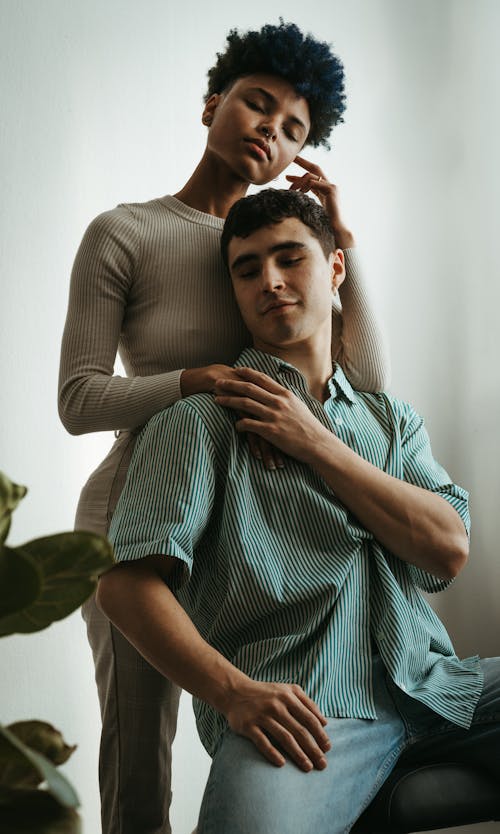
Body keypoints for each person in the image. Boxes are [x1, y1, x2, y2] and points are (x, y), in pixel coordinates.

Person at [58, 21, 390, 834]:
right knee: (141, 754)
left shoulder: (276, 250)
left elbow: (370, 396)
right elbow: (78, 399)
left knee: (276, 736)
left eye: (293, 130)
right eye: (257, 104)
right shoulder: (125, 232)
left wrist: (343, 245)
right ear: (215, 104)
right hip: (134, 516)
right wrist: (195, 381)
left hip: (250, 529)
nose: (270, 130)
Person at [98, 188, 499, 834]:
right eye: (248, 268)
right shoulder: (200, 421)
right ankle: (388, 795)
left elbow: (447, 548)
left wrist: (315, 443)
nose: (271, 281)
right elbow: (124, 585)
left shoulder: (387, 420)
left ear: (336, 268)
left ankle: (390, 795)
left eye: (290, 258)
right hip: (302, 718)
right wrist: (232, 693)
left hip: (436, 691)